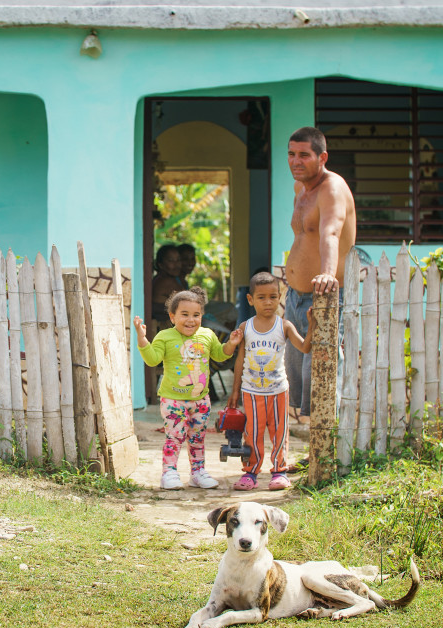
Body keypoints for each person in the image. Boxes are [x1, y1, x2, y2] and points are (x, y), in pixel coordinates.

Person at [134, 287, 243, 490]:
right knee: (174, 437)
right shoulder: (165, 337)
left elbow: (220, 355)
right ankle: (169, 473)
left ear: (202, 315)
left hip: (201, 401)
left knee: (197, 437)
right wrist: (142, 339)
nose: (191, 320)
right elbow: (152, 360)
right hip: (172, 400)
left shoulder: (207, 335)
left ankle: (198, 473)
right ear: (172, 316)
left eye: (196, 315)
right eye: (184, 315)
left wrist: (231, 344)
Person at [283, 126, 356, 425]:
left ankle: (329, 456)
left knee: (322, 380)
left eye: (304, 155)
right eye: (291, 154)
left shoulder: (332, 190)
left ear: (322, 157)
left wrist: (327, 274)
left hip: (321, 299)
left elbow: (330, 232)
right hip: (294, 298)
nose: (295, 161)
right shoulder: (301, 189)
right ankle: (305, 457)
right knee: (296, 384)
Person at [227, 271, 317, 491]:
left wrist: (312, 324)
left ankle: (279, 472)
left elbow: (305, 347)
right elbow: (240, 360)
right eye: (261, 297)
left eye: (273, 297)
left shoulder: (284, 326)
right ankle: (250, 473)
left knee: (279, 432)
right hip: (251, 391)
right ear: (250, 300)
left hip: (278, 391)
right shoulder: (245, 328)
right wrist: (235, 391)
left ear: (280, 297)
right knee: (252, 434)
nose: (268, 302)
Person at [151, 244, 183, 328]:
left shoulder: (158, 278)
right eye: (171, 260)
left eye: (178, 260)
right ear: (160, 264)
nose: (176, 264)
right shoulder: (166, 282)